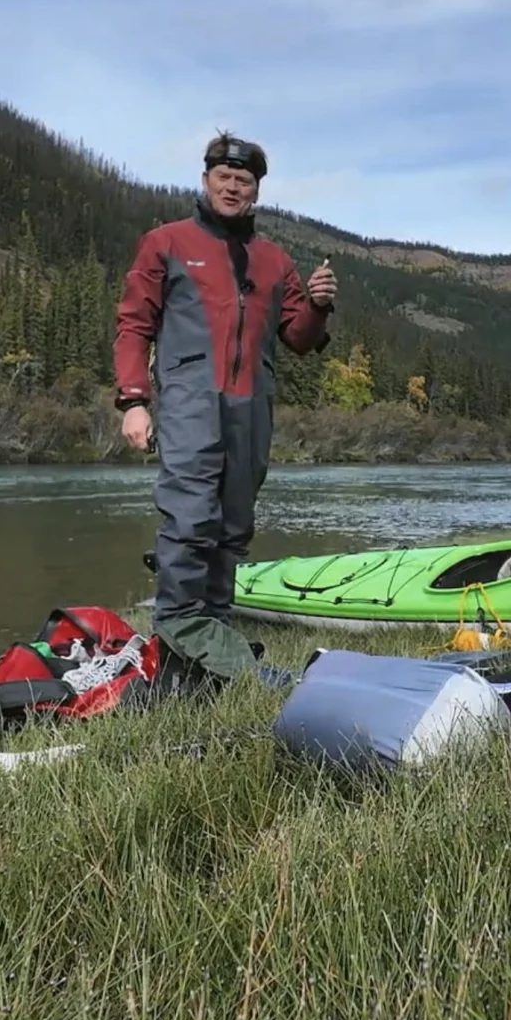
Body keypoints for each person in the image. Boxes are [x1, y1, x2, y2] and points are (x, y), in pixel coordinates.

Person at [113, 132, 336, 640]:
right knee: (189, 522)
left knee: (233, 529)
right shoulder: (166, 243)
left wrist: (320, 307)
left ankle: (214, 638)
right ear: (206, 180)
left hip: (252, 408)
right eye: (224, 178)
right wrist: (134, 401)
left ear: (256, 190)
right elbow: (133, 325)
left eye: (244, 180)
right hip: (190, 401)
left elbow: (300, 339)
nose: (233, 188)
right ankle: (175, 642)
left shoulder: (276, 261)